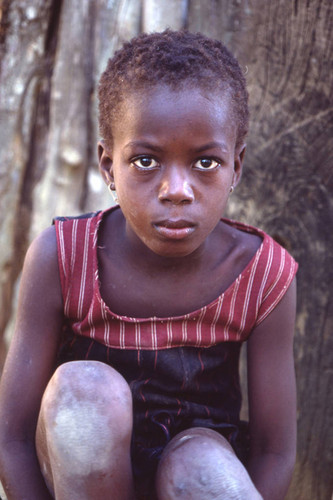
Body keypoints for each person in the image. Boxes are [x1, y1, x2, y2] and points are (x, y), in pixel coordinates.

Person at [0, 30, 298, 500]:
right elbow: (11, 438)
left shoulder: (263, 275)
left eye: (205, 163)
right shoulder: (63, 256)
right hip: (79, 481)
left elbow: (274, 451)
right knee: (86, 394)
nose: (176, 189)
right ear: (107, 166)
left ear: (236, 167)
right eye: (145, 160)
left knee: (201, 464)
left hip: (192, 478)